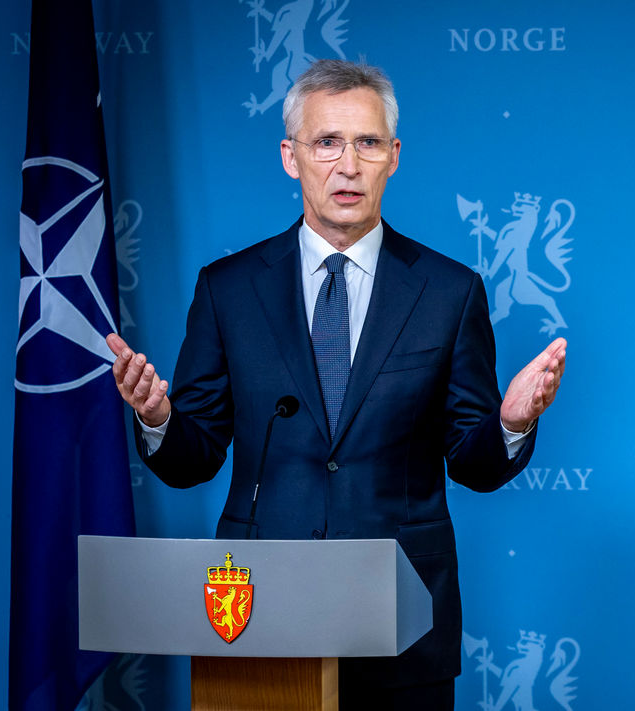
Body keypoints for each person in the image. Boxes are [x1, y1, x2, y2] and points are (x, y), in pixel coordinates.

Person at [106, 59, 566, 710]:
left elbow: (474, 462)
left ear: (393, 157)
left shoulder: (450, 292)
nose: (348, 165)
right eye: (327, 142)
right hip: (256, 618)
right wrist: (158, 419)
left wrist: (511, 423)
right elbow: (193, 458)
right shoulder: (228, 289)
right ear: (290, 157)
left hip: (404, 628)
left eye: (367, 142)